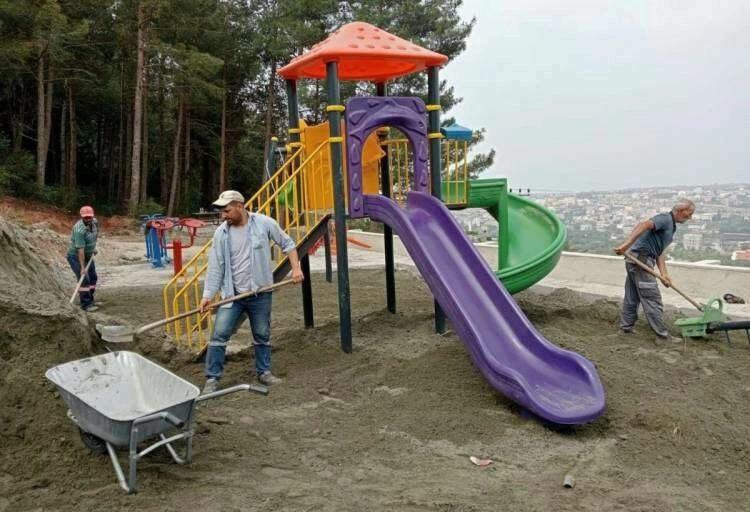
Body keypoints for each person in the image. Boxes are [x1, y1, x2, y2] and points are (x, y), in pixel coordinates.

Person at [200, 190, 304, 393]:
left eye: (227, 211)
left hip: (260, 293)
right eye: (222, 212)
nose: (223, 216)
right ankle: (212, 379)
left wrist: (296, 268)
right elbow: (215, 267)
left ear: (240, 206)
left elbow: (288, 244)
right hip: (232, 295)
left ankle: (264, 373)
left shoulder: (264, 224)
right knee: (219, 335)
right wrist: (207, 296)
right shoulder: (221, 233)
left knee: (262, 334)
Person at [614, 199, 695, 341]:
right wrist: (626, 245)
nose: (690, 217)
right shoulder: (665, 219)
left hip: (637, 260)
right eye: (689, 213)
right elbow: (644, 225)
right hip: (641, 259)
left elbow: (659, 251)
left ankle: (626, 328)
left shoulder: (671, 226)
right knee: (652, 298)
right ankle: (663, 336)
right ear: (680, 211)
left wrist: (664, 274)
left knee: (632, 296)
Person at [67, 205, 99, 312]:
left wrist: (93, 248)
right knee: (84, 280)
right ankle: (86, 305)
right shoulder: (79, 230)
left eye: (90, 217)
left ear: (92, 216)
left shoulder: (95, 222)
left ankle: (91, 299)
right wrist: (82, 267)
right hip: (76, 257)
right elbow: (80, 250)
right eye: (85, 217)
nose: (88, 219)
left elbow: (95, 235)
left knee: (93, 277)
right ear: (82, 216)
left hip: (88, 255)